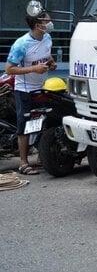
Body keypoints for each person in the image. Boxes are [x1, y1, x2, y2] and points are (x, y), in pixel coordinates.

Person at [5, 11, 56, 175]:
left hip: (43, 87)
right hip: (24, 90)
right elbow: (9, 68)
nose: (50, 22)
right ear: (37, 25)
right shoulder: (21, 44)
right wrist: (34, 68)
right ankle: (23, 163)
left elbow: (48, 57)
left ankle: (43, 156)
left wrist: (52, 63)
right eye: (47, 20)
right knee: (24, 125)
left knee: (44, 121)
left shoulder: (47, 38)